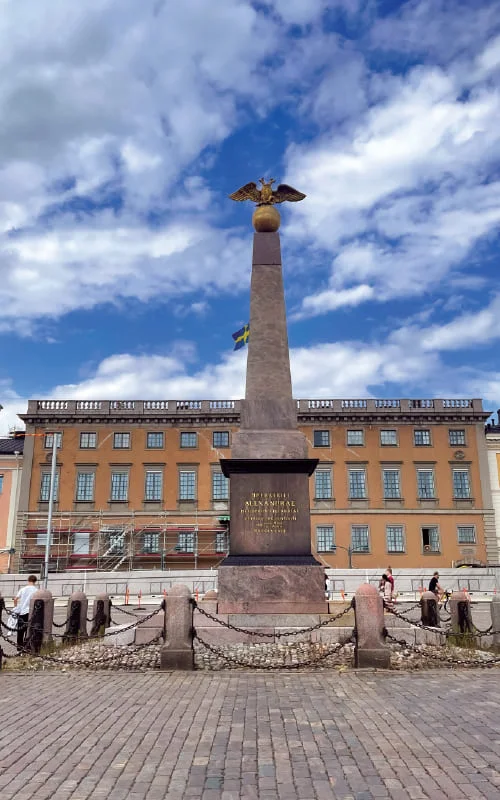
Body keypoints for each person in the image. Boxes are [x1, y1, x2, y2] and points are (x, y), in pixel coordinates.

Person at [13, 575, 38, 652]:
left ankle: (19, 649)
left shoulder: (23, 589)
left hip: (23, 612)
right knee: (29, 631)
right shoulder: (37, 590)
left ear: (28, 580)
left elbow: (15, 599)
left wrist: (16, 607)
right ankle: (27, 647)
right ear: (35, 581)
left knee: (20, 631)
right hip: (31, 613)